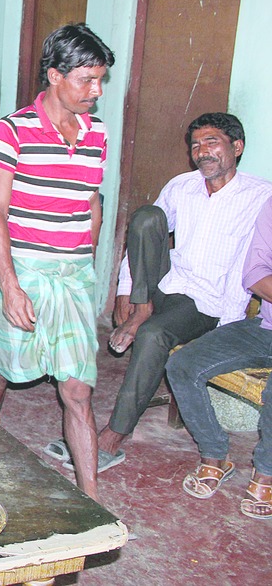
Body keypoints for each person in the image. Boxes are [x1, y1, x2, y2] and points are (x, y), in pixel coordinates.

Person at [0, 23, 113, 500]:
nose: (96, 91)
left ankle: (92, 501)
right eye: (86, 80)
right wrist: (11, 285)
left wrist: (85, 260)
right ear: (55, 75)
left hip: (72, 275)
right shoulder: (12, 130)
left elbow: (92, 202)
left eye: (100, 80)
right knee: (0, 372)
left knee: (78, 391)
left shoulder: (97, 133)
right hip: (26, 271)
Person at [98, 113, 272, 463]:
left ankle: (113, 435)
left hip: (204, 302)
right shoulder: (182, 185)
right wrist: (127, 289)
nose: (202, 152)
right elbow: (147, 237)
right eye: (195, 145)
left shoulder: (260, 196)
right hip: (167, 281)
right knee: (147, 216)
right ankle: (142, 310)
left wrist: (226, 327)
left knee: (154, 335)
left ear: (237, 147)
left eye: (212, 143)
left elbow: (248, 268)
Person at [167, 196, 272, 519]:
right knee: (183, 365)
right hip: (266, 327)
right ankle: (215, 455)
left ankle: (266, 474)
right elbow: (254, 274)